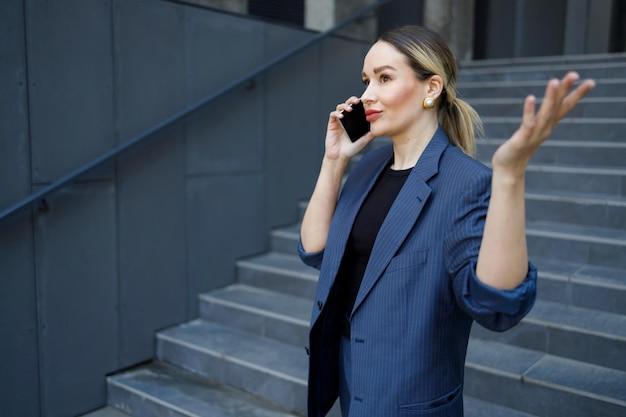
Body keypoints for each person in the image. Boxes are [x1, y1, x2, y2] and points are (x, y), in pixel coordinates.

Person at [298, 25, 595, 417]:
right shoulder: (368, 166)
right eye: (367, 80)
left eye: (385, 78)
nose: (367, 95)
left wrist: (508, 174)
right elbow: (315, 250)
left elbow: (496, 303)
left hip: (409, 400)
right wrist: (334, 160)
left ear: (431, 88)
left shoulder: (464, 182)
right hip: (351, 379)